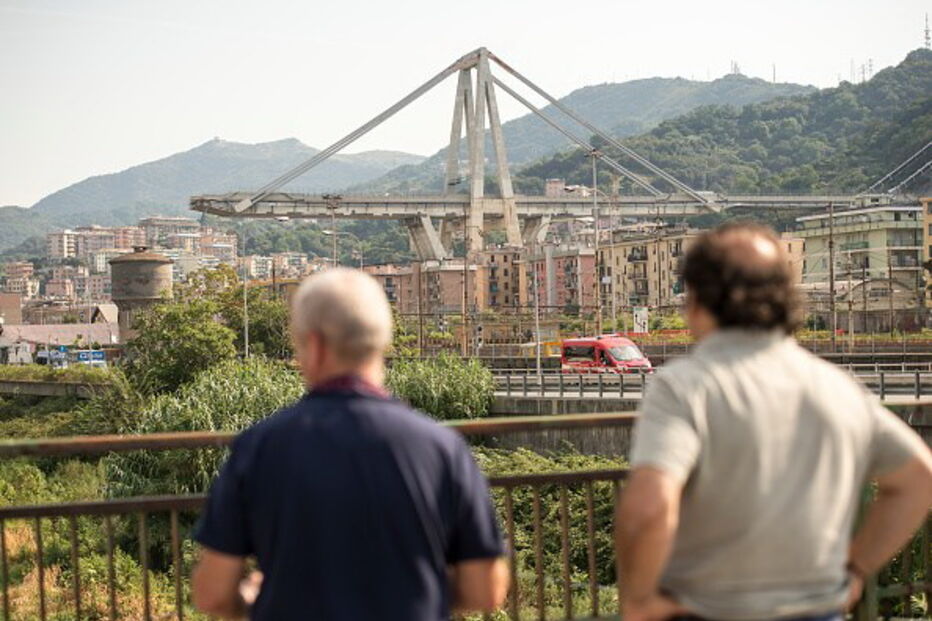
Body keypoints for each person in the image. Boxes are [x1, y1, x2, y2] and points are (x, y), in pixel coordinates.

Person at [615, 222, 932, 621]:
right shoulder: (838, 388)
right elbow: (919, 477)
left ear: (695, 302)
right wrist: (855, 570)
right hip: (820, 610)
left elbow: (649, 507)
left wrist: (640, 601)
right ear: (786, 299)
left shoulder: (683, 387)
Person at [191, 268, 509, 620]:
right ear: (381, 340)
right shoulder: (443, 448)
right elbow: (487, 589)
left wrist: (254, 597)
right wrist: (417, 590)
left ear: (314, 345)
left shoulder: (259, 447)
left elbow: (213, 594)